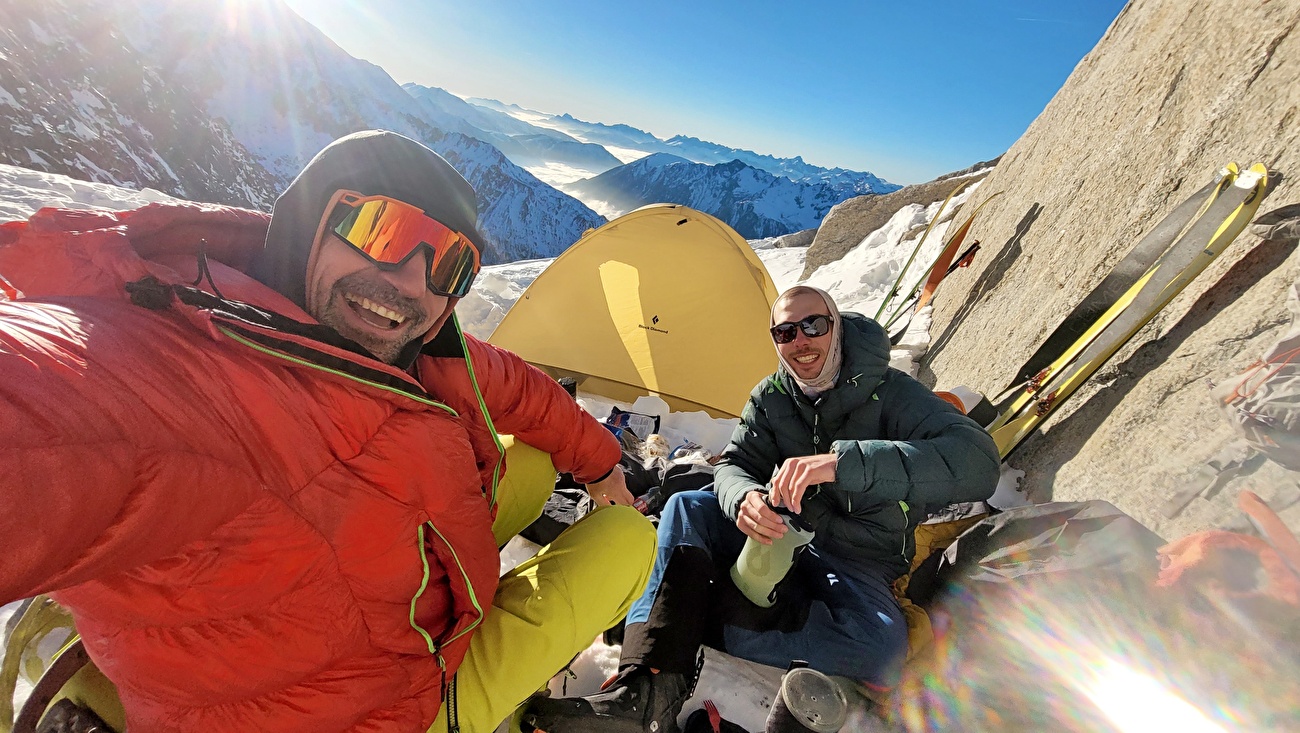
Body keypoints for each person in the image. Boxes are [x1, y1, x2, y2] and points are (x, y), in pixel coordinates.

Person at [0, 130, 655, 733]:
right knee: (630, 539)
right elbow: (43, 422)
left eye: (448, 264)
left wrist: (601, 463)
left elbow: (512, 383)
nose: (410, 282)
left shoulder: (401, 349)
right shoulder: (157, 377)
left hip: (399, 595)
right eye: (381, 230)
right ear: (306, 226)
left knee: (533, 459)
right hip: (382, 711)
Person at [525, 285, 1001, 733]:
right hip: (782, 537)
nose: (801, 341)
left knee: (880, 650)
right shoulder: (773, 396)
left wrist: (842, 464)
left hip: (862, 561)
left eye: (814, 325)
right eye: (785, 332)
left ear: (837, 326)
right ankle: (646, 691)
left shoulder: (892, 392)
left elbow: (977, 461)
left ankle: (675, 618)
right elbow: (734, 465)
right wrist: (743, 498)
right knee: (688, 506)